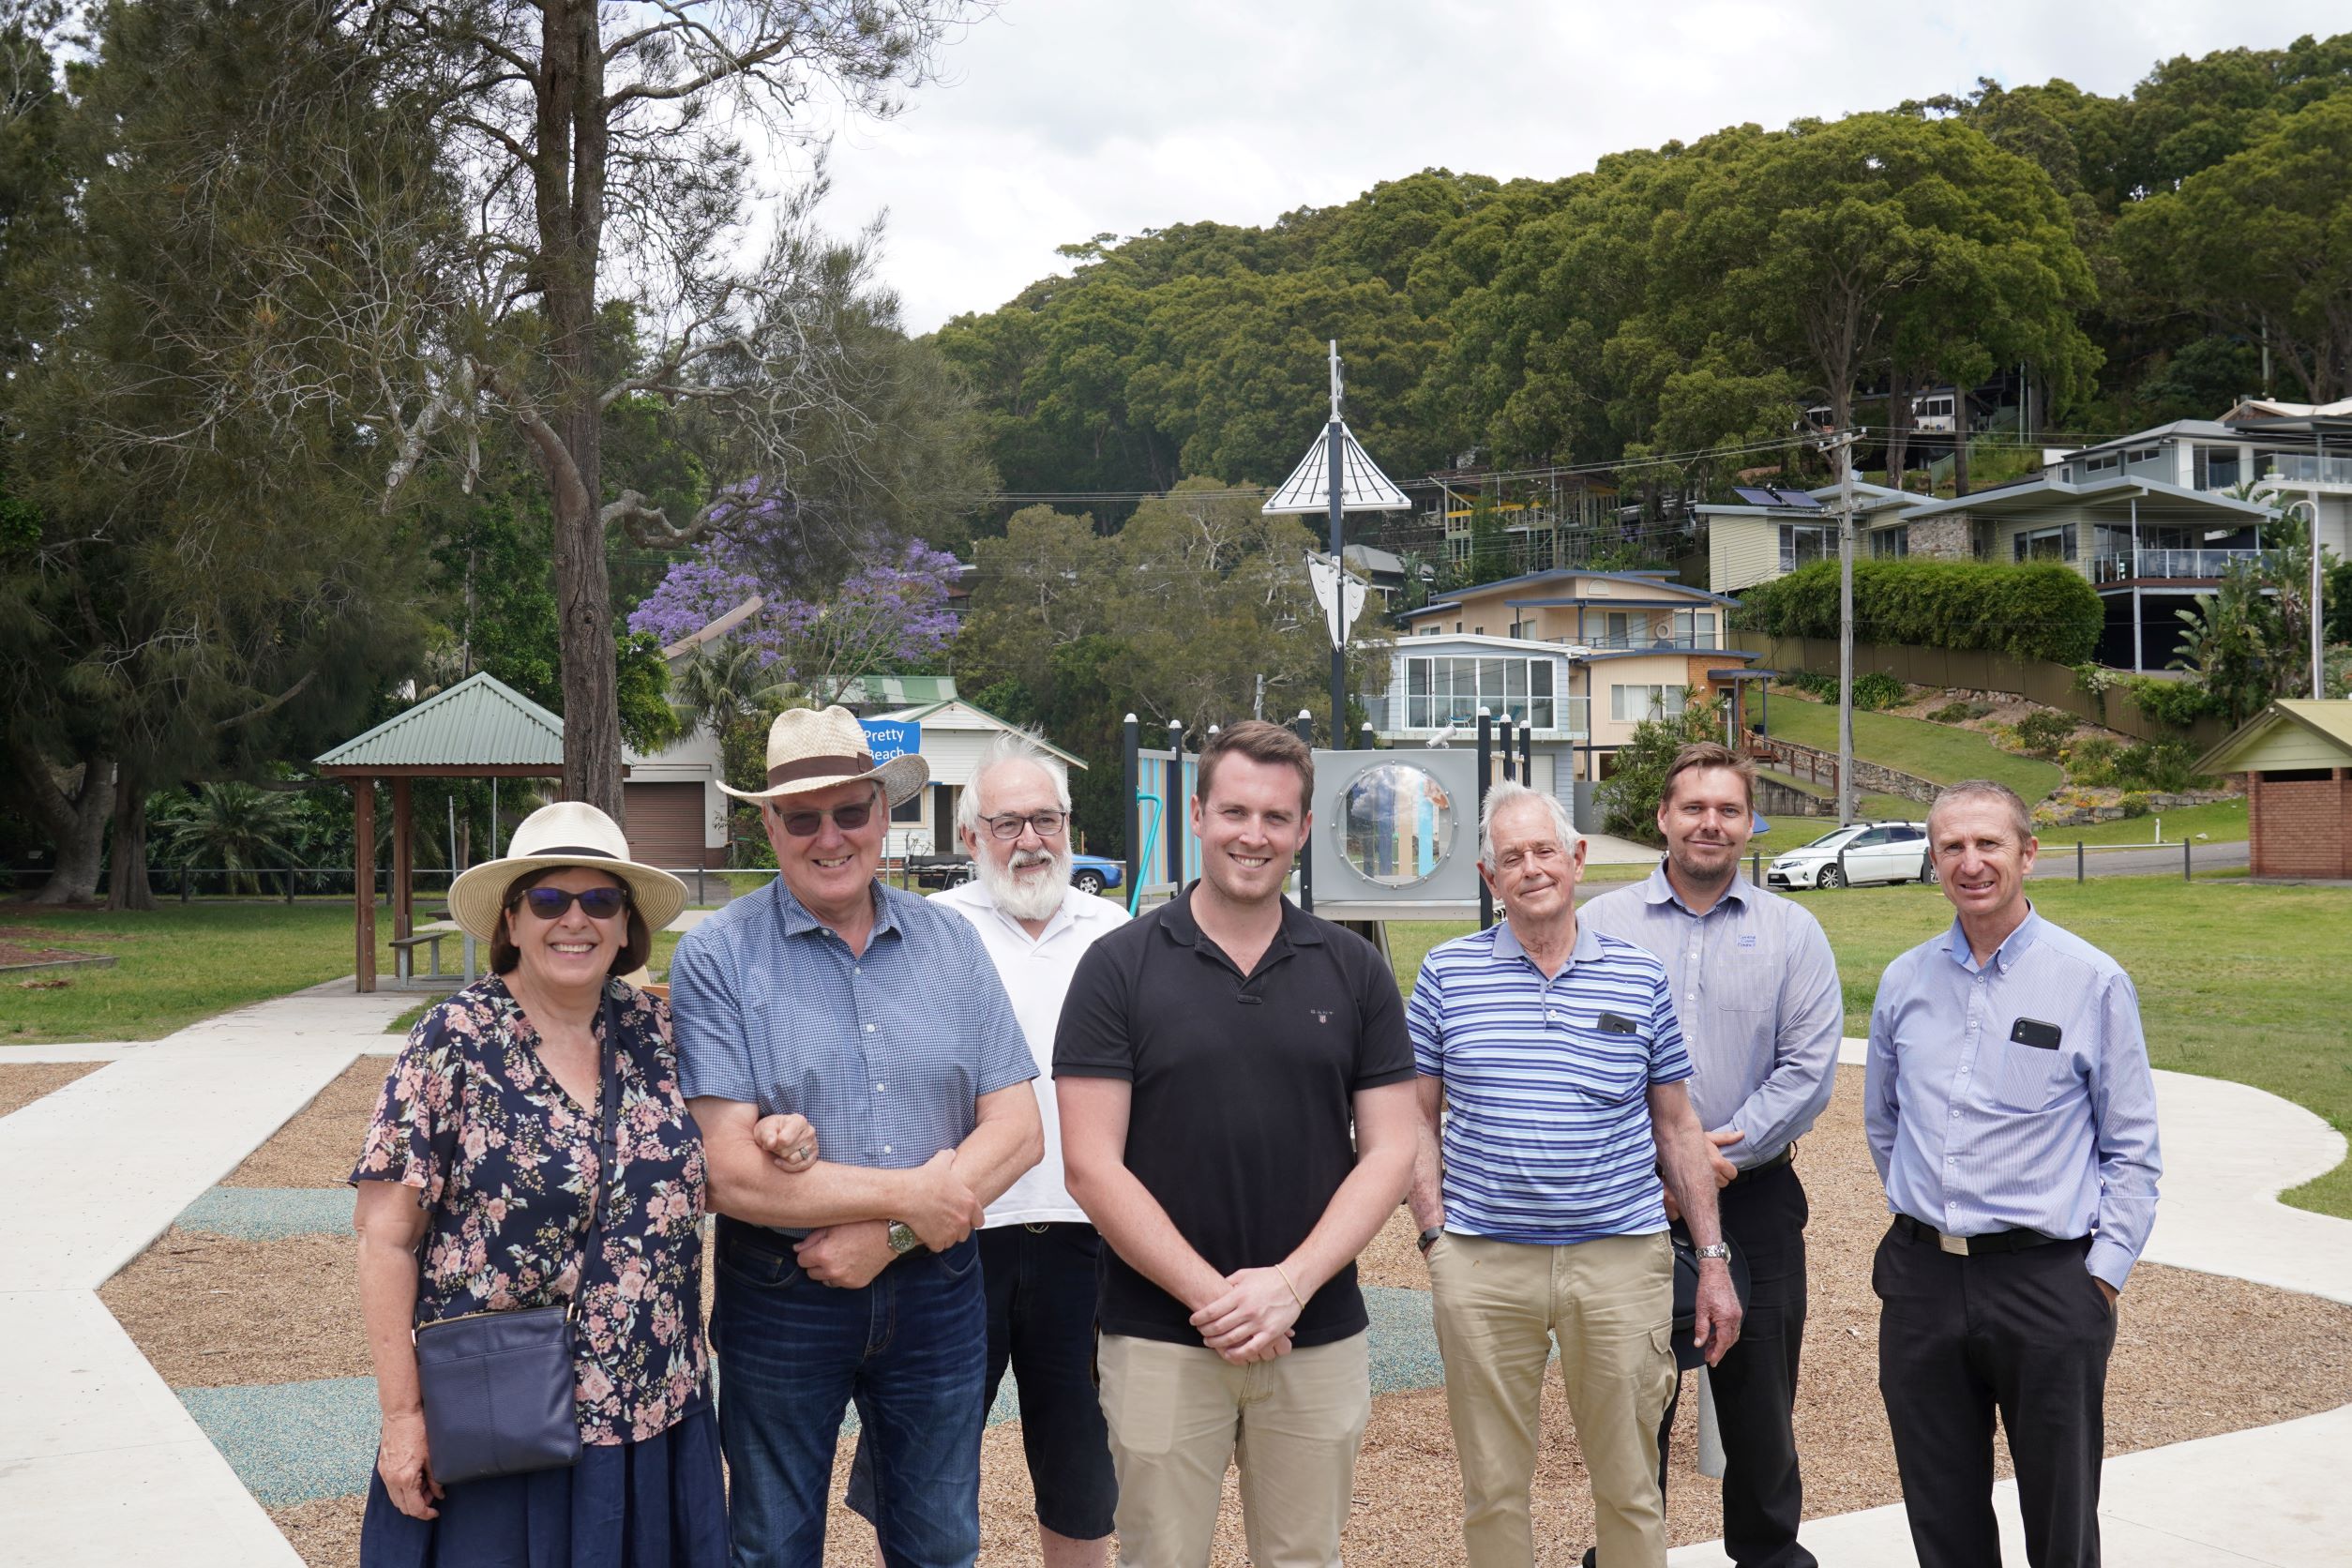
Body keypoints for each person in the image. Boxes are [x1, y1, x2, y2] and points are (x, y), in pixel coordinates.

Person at [352, 800, 813, 1567]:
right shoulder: (453, 1042)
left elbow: (716, 1147)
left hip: (654, 1409)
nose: (576, 920)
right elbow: (384, 1239)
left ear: (628, 926)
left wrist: (775, 1135)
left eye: (600, 900)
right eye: (548, 899)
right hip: (506, 1415)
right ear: (512, 919)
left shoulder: (660, 1033)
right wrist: (403, 1416)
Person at [671, 705, 1044, 1568]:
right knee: (770, 1544)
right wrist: (913, 1194)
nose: (829, 836)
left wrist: (897, 1229)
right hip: (780, 1291)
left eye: (850, 812)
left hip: (938, 1287)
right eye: (802, 817)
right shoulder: (719, 955)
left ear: (884, 813)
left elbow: (1019, 1128)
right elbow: (727, 1174)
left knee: (942, 1543)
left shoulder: (953, 943)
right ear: (769, 823)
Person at [1055, 719, 1420, 1568]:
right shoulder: (1118, 966)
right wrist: (1218, 1300)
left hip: (1316, 1329)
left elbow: (1392, 1151)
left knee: (1304, 1557)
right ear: (1198, 814)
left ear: (1302, 830)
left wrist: (1289, 1288)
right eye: (1234, 812)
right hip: (1158, 1332)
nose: (1253, 835)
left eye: (1275, 818)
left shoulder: (1353, 969)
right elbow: (1090, 1164)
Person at [1408, 780, 1742, 1568]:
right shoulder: (1446, 975)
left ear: (1578, 859)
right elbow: (1415, 1121)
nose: (1531, 869)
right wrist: (1435, 1239)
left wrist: (1714, 1260)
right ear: (1490, 879)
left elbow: (1678, 1125)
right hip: (1484, 1262)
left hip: (1620, 1259)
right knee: (1492, 1487)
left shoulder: (1637, 976)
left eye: (1545, 851)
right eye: (1510, 858)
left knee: (1630, 1484)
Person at [843, 728, 1127, 1568]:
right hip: (955, 1234)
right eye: (1007, 824)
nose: (1030, 841)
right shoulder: (926, 933)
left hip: (1087, 1233)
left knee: (1082, 1469)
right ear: (970, 838)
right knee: (925, 1457)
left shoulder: (1118, 933)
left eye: (1046, 820)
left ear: (1070, 827)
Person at [1865, 779, 2162, 1568]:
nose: (1970, 863)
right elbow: (1885, 1120)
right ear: (1933, 861)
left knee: (2061, 1520)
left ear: (2027, 853)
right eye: (1952, 847)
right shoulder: (1903, 982)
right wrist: (1923, 1211)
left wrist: (2099, 1278)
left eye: (1988, 844)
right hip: (1923, 1282)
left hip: (2049, 1285)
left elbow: (2131, 1147)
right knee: (1942, 1513)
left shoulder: (2090, 981)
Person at [1581, 742, 1840, 1568]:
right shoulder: (1598, 927)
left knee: (1761, 1410)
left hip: (1755, 1197)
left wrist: (1710, 1158)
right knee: (1630, 1407)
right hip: (1627, 1204)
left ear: (1750, 824)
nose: (1710, 823)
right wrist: (1654, 1165)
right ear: (1662, 818)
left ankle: (1767, 1555)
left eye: (1729, 809)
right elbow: (1572, 1057)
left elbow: (1807, 1069)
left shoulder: (1793, 932)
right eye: (1693, 807)